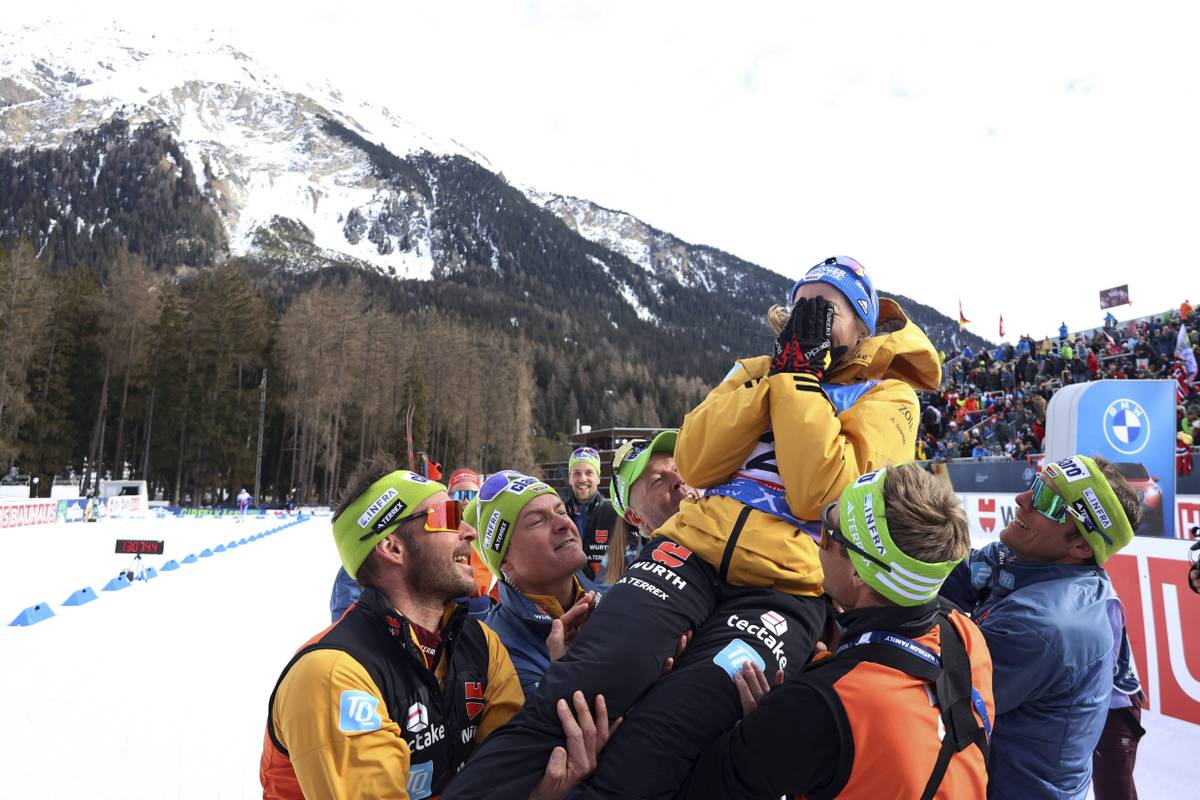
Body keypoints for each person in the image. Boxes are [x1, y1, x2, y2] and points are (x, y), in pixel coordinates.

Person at [445, 256, 941, 800]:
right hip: (688, 552)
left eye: (826, 308)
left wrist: (800, 381)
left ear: (863, 326)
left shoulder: (890, 396)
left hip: (783, 589)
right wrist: (775, 378)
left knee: (668, 730)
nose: (808, 318)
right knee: (579, 689)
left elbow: (823, 496)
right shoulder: (753, 369)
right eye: (801, 304)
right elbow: (697, 461)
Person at [262, 455, 609, 800]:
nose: (469, 532)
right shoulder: (333, 674)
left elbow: (515, 766)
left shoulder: (483, 644)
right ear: (392, 546)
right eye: (448, 517)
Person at [683, 463, 993, 799]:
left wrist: (767, 731)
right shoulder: (965, 634)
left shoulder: (821, 703)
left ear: (862, 572)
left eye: (830, 531)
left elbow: (700, 788)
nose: (817, 535)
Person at [940, 454, 1141, 799]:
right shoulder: (1019, 558)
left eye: (1048, 501)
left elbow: (939, 697)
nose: (1023, 499)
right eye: (1035, 485)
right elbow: (947, 584)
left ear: (1080, 545)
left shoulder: (1044, 626)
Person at [469, 471, 601, 693]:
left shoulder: (615, 599)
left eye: (562, 511)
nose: (563, 523)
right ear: (505, 562)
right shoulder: (497, 652)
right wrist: (565, 673)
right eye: (538, 520)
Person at [603, 430, 698, 584]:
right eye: (658, 480)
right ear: (636, 517)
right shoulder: (648, 583)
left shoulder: (731, 518)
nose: (679, 479)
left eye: (676, 469)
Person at [558, 447, 617, 579]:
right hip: (570, 594)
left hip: (606, 594)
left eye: (589, 473)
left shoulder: (614, 513)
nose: (582, 479)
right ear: (570, 478)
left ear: (598, 478)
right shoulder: (559, 514)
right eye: (576, 473)